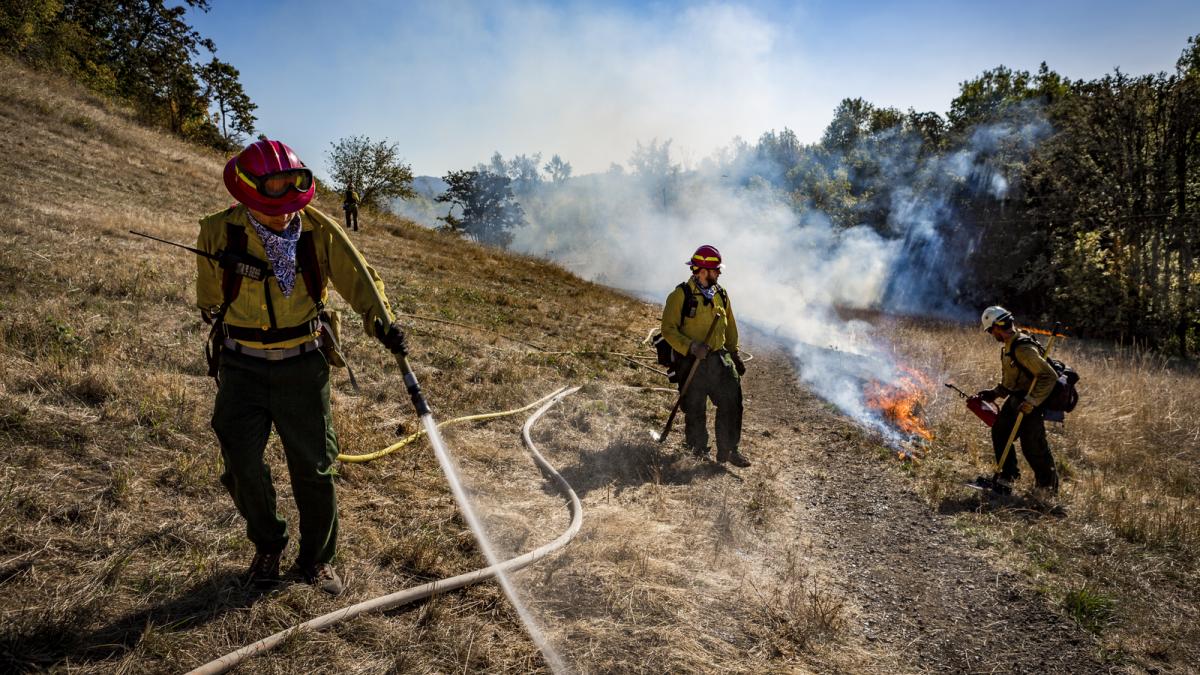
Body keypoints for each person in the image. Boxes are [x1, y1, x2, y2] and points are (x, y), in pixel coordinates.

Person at [196, 139, 410, 595]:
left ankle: (317, 560)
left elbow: (360, 278)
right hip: (242, 367)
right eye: (271, 199)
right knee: (239, 460)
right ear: (248, 193)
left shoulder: (319, 230)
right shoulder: (218, 232)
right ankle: (269, 542)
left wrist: (384, 325)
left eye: (291, 197)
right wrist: (231, 269)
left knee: (315, 468)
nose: (283, 211)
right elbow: (208, 300)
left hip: (302, 366)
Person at [660, 245, 750, 467]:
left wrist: (734, 353)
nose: (719, 273)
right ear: (701, 270)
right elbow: (668, 330)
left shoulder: (721, 294)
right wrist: (690, 347)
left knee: (732, 402)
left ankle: (728, 450)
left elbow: (729, 326)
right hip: (691, 362)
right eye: (715, 270)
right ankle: (697, 450)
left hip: (719, 359)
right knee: (695, 406)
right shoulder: (680, 295)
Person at [976, 306, 1060, 494]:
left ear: (997, 327)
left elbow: (1048, 376)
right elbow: (1015, 379)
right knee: (1000, 432)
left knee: (1033, 447)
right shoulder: (1010, 345)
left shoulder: (1023, 348)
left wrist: (1031, 402)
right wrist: (995, 392)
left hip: (1031, 402)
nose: (991, 334)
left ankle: (1047, 490)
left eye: (990, 330)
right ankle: (1007, 477)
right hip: (1016, 398)